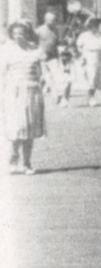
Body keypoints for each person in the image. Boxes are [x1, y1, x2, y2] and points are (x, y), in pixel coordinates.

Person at [2, 21, 47, 174]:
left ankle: (27, 163)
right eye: (15, 33)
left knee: (30, 128)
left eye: (22, 33)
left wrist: (44, 80)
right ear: (11, 35)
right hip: (14, 93)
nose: (18, 36)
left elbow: (42, 71)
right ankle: (13, 160)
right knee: (16, 127)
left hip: (32, 92)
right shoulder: (6, 51)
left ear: (28, 33)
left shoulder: (35, 51)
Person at [77, 18, 101, 107]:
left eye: (97, 25)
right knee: (91, 77)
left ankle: (90, 96)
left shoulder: (100, 35)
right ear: (90, 26)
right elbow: (79, 46)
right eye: (94, 26)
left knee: (96, 77)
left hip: (98, 57)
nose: (96, 27)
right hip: (88, 56)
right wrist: (82, 55)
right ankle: (91, 97)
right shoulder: (84, 35)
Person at [37, 10, 63, 106]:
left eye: (54, 20)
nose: (52, 22)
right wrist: (39, 54)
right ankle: (53, 95)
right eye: (50, 20)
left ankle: (59, 95)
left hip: (53, 57)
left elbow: (57, 42)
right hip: (42, 58)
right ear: (45, 20)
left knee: (57, 76)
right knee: (47, 78)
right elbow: (35, 44)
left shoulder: (55, 30)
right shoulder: (39, 30)